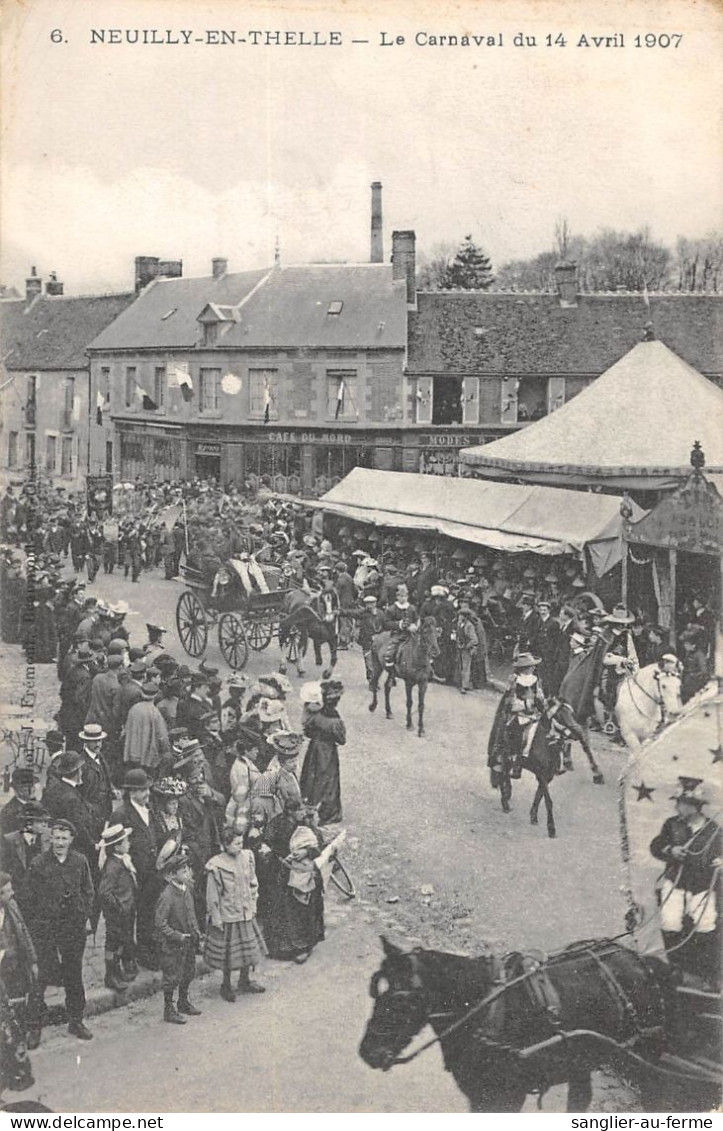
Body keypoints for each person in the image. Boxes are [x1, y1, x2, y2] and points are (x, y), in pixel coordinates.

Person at [24, 818, 94, 1043]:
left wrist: (82, 914)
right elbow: (29, 898)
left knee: (73, 974)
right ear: (50, 838)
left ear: (71, 840)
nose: (60, 842)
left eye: (64, 838)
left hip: (72, 929)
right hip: (47, 929)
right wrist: (39, 925)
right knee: (41, 976)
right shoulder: (38, 863)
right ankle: (34, 1026)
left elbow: (88, 891)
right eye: (56, 837)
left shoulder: (80, 861)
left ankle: (76, 1020)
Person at [650, 777, 721, 988]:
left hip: (702, 886)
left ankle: (706, 974)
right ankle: (676, 969)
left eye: (680, 803)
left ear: (693, 806)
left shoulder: (713, 830)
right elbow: (657, 845)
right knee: (670, 923)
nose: (676, 807)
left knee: (706, 925)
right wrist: (670, 850)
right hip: (676, 883)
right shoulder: (672, 825)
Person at [258, 801, 325, 964]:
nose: (304, 813)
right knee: (282, 909)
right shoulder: (276, 824)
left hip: (302, 871)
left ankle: (304, 946)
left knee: (303, 908)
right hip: (281, 871)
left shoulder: (307, 824)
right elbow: (264, 843)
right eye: (300, 810)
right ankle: (281, 948)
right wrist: (270, 854)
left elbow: (319, 845)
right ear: (290, 812)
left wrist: (306, 851)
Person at [204, 826, 266, 1001]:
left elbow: (253, 882)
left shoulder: (247, 857)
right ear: (225, 845)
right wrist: (216, 917)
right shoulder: (216, 865)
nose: (240, 846)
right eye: (236, 843)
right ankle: (226, 985)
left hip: (245, 912)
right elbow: (212, 895)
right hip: (228, 916)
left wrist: (253, 903)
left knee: (248, 951)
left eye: (241, 842)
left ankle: (244, 980)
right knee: (229, 954)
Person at [112, 769, 159, 969]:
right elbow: (115, 848)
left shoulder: (149, 809)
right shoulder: (121, 814)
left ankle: (145, 949)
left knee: (147, 911)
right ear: (131, 792)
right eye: (142, 790)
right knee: (128, 915)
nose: (147, 793)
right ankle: (128, 955)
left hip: (151, 871)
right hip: (131, 874)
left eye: (147, 789)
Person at [154, 843, 201, 1024]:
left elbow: (191, 912)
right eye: (182, 870)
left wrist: (196, 930)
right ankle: (169, 1008)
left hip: (188, 941)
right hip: (172, 945)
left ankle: (183, 1001)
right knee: (172, 976)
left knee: (188, 971)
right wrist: (177, 936)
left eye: (187, 869)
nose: (187, 873)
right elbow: (160, 924)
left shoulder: (187, 889)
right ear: (172, 875)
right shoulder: (167, 896)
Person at [0, 871, 39, 1063]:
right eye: (7, 891)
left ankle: (23, 1036)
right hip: (3, 969)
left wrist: (32, 961)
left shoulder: (12, 906)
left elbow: (24, 931)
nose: (12, 893)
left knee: (22, 1000)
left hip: (18, 964)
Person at [300, 679, 346, 825]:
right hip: (328, 752)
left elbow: (307, 731)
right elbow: (342, 740)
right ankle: (328, 812)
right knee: (329, 780)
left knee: (311, 777)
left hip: (314, 749)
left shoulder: (315, 714)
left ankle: (309, 805)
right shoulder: (335, 720)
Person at [96, 824, 137, 991]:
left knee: (121, 940)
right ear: (117, 846)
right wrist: (118, 906)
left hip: (126, 910)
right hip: (117, 913)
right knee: (112, 943)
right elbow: (104, 892)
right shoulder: (113, 866)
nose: (129, 844)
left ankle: (117, 970)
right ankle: (110, 975)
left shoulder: (122, 860)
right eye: (126, 841)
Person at [1, 803, 50, 917]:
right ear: (28, 823)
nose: (45, 825)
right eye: (40, 821)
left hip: (42, 898)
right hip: (19, 898)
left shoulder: (46, 841)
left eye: (46, 822)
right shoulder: (9, 841)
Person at [123, 680, 171, 774]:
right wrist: (167, 750)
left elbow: (126, 730)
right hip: (147, 758)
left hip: (132, 754)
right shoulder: (155, 713)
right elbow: (162, 736)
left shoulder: (134, 709)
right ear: (155, 695)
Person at [0, 769, 38, 837]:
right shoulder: (8, 812)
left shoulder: (36, 804)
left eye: (32, 785)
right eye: (28, 787)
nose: (34, 789)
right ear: (19, 790)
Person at [455, 602, 479, 694]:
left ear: (465, 617)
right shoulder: (459, 623)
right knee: (460, 666)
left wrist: (466, 646)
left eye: (461, 615)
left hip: (466, 650)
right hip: (459, 647)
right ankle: (460, 683)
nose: (459, 617)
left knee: (466, 667)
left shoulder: (469, 626)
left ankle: (464, 686)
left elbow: (475, 640)